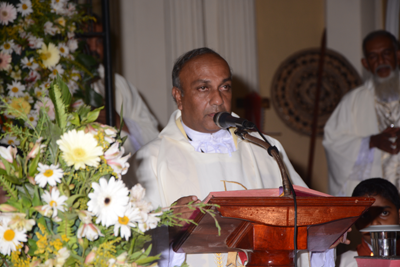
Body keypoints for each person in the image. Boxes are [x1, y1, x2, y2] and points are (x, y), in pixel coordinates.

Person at [127, 47, 338, 267]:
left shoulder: (265, 148)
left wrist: (327, 231)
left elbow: (307, 223)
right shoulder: (149, 161)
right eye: (203, 88)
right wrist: (170, 230)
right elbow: (131, 247)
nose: (218, 99)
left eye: (225, 87)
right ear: (178, 97)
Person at [323, 30, 400, 196]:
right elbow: (332, 142)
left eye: (386, 53)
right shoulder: (352, 102)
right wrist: (370, 142)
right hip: (376, 201)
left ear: (398, 55)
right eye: (373, 57)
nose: (381, 61)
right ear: (365, 63)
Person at [87, 19, 159, 156]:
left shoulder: (118, 84)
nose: (93, 48)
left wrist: (119, 121)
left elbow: (154, 136)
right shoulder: (61, 83)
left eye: (99, 41)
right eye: (88, 40)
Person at [336, 178, 400, 266]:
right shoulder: (342, 263)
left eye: (384, 213)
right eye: (365, 215)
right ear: (355, 221)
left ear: (399, 216)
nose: (374, 223)